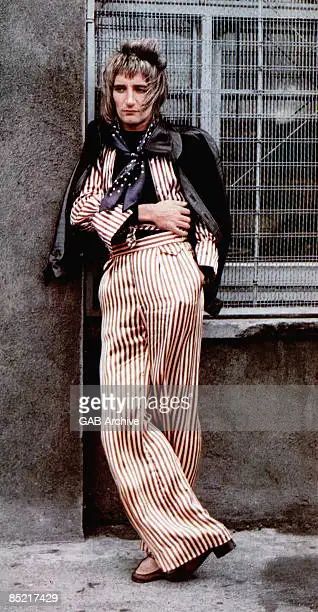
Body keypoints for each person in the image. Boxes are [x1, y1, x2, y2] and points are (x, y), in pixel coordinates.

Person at [46, 39, 236, 583]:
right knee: (119, 413)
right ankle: (189, 533)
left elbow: (211, 222)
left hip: (174, 275)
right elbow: (83, 209)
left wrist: (199, 278)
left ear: (158, 92)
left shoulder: (186, 145)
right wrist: (144, 211)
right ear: (110, 92)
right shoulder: (100, 146)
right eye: (121, 88)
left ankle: (167, 539)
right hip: (122, 273)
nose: (130, 99)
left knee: (177, 409)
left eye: (141, 89)